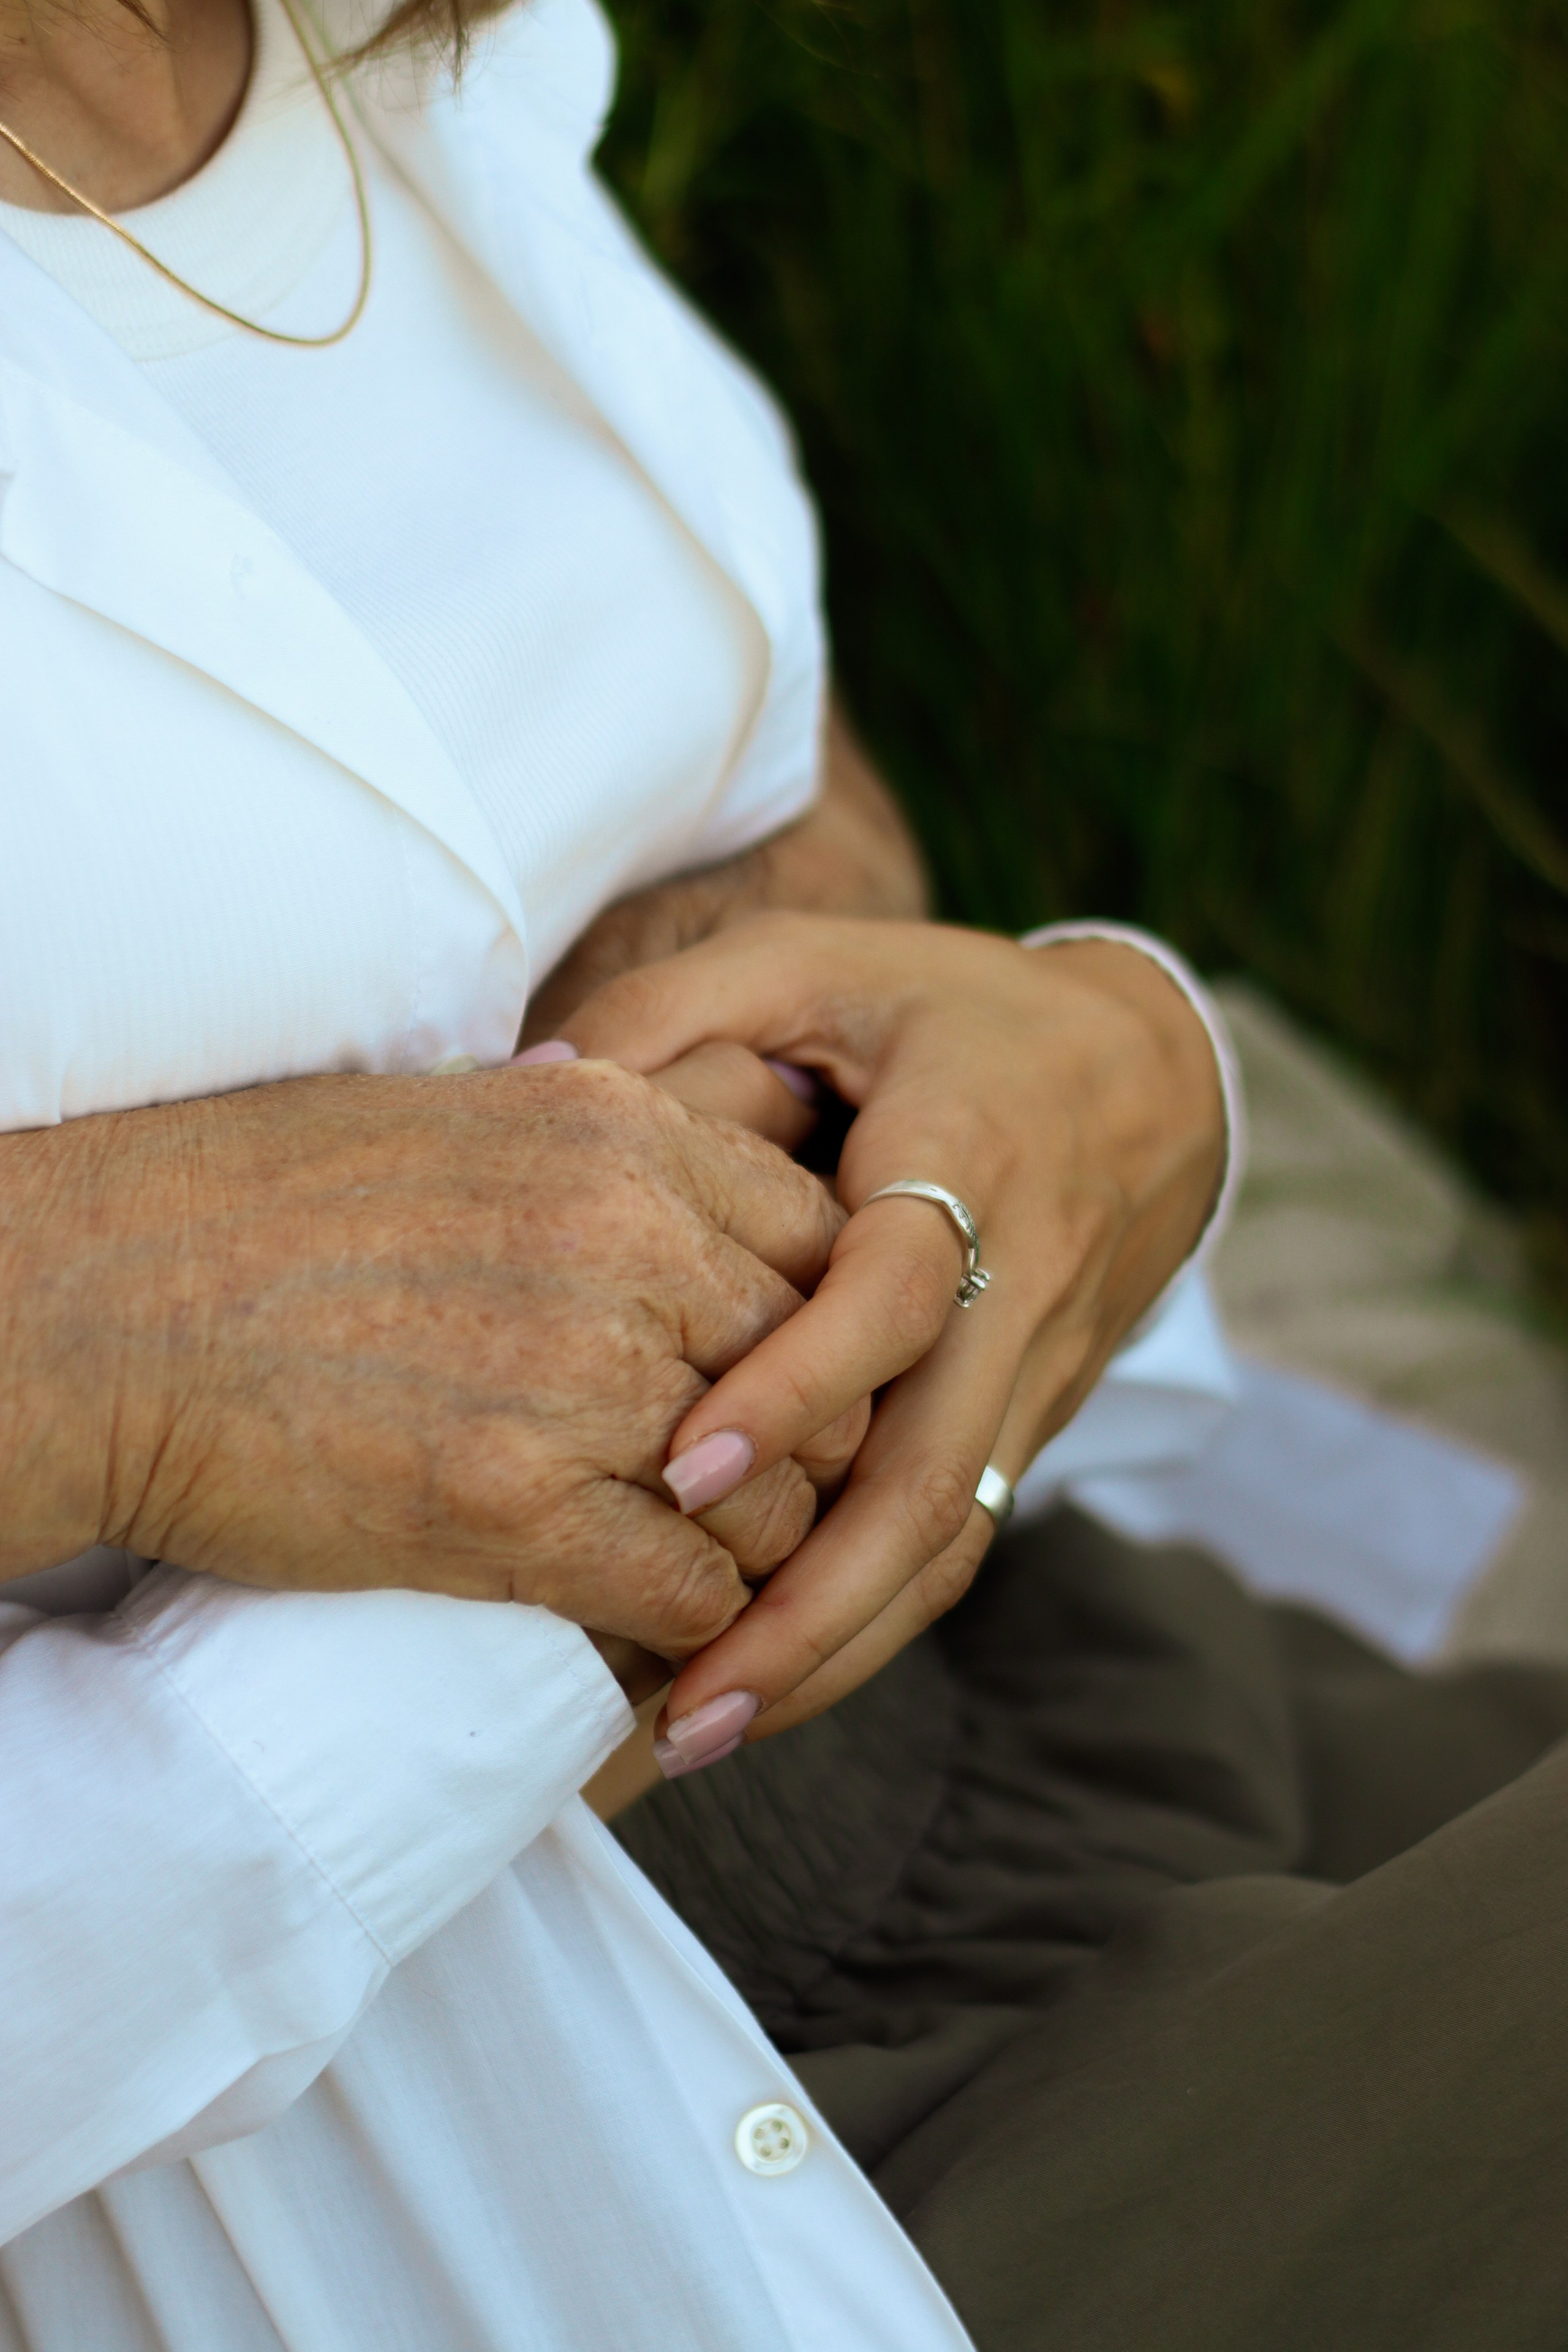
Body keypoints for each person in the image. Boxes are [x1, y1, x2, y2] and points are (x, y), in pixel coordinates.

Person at [2, 0, 1566, 2345]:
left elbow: (741, 751)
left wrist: (1070, 1058)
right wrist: (95, 1332)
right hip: (520, 2169)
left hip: (1057, 1700)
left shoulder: (347, 42)